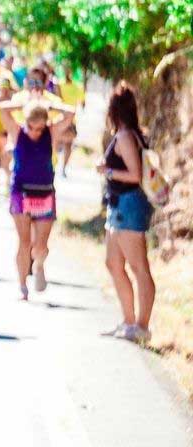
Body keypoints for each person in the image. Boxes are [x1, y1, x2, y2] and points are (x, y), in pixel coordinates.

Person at [0, 99, 75, 300]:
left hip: (44, 192)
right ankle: (22, 285)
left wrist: (50, 106)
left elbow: (71, 113)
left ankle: (39, 264)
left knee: (40, 245)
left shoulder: (51, 132)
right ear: (26, 122)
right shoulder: (18, 131)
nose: (34, 131)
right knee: (23, 242)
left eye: (39, 128)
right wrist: (26, 105)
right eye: (31, 126)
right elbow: (2, 109)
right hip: (21, 192)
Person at [98, 83, 154, 343]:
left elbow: (134, 175)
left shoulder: (124, 137)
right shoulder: (132, 134)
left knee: (139, 267)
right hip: (119, 205)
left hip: (128, 205)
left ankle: (141, 326)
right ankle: (129, 321)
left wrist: (107, 171)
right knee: (113, 263)